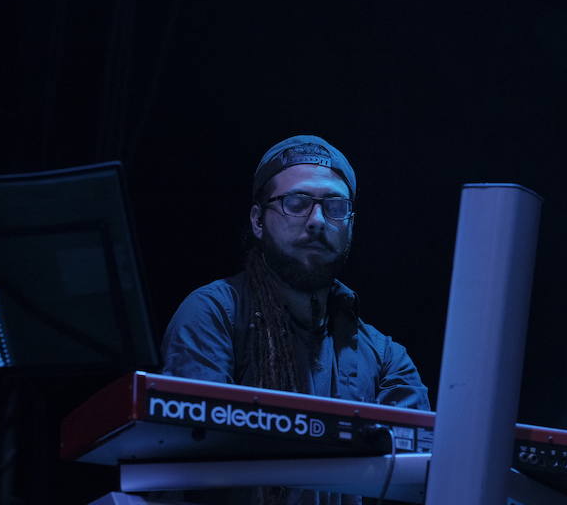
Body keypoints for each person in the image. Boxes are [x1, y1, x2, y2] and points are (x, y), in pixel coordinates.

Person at [161, 135, 429, 504]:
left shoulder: (385, 357)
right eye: (296, 203)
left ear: (350, 224)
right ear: (258, 220)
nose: (317, 221)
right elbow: (191, 463)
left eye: (335, 207)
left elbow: (423, 478)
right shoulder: (215, 313)